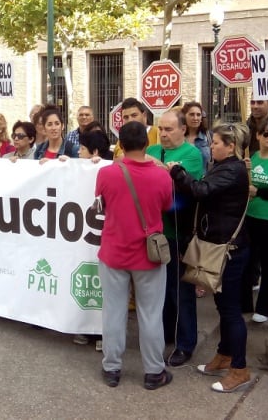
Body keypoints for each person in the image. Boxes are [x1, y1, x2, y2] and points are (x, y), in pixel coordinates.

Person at [169, 123, 251, 393]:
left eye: (216, 143)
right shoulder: (223, 166)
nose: (211, 146)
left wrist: (177, 171)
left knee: (230, 311)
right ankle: (224, 355)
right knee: (222, 306)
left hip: (228, 250)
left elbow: (201, 190)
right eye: (213, 142)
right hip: (216, 244)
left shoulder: (232, 169)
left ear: (231, 146)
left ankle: (239, 369)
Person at [96, 121, 173, 390]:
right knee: (150, 314)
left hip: (114, 252)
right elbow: (166, 205)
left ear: (120, 144)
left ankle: (112, 367)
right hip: (148, 255)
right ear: (146, 143)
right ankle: (154, 371)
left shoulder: (106, 173)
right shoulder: (163, 175)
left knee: (113, 312)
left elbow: (101, 204)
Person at [147, 109, 204, 367]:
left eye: (169, 129)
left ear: (183, 129)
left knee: (181, 290)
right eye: (161, 128)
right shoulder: (154, 149)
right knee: (162, 288)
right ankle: (168, 332)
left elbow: (184, 186)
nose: (164, 134)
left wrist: (160, 170)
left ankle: (185, 343)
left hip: (179, 232)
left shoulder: (192, 154)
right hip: (156, 233)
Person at [240, 123, 268, 323]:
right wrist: (244, 171)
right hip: (250, 217)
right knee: (247, 261)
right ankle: (245, 302)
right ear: (258, 136)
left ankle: (265, 307)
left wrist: (259, 191)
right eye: (266, 134)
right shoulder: (252, 157)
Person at [182, 101, 211, 173]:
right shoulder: (177, 137)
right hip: (182, 181)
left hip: (204, 181)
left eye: (198, 115)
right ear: (184, 116)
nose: (195, 118)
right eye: (192, 114)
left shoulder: (209, 137)